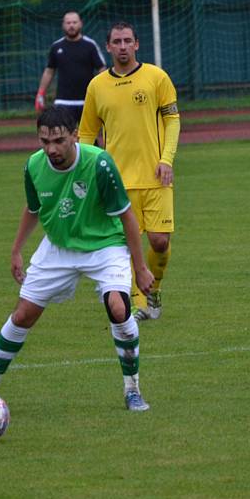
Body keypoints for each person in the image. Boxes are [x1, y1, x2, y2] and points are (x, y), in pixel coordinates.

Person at [0, 106, 155, 412]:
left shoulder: (99, 163)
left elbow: (127, 217)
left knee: (118, 308)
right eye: (44, 141)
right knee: (23, 314)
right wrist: (16, 250)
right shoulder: (33, 166)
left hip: (105, 244)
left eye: (59, 141)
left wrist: (141, 267)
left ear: (75, 135)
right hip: (58, 246)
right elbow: (32, 208)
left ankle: (132, 389)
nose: (51, 149)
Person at [78, 21, 180, 321]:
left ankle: (153, 289)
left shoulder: (157, 77)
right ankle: (138, 304)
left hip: (156, 176)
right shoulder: (97, 86)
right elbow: (86, 134)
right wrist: (85, 172)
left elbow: (173, 121)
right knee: (125, 249)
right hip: (117, 182)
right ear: (108, 47)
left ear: (137, 44)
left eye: (127, 41)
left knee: (160, 242)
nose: (122, 46)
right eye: (116, 42)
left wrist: (167, 159)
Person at [35, 11, 106, 125]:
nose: (71, 25)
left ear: (81, 24)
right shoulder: (56, 46)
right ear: (63, 25)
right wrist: (40, 93)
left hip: (87, 101)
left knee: (89, 139)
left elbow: (102, 70)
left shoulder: (90, 45)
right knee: (62, 136)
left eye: (74, 22)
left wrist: (101, 93)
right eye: (68, 23)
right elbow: (49, 71)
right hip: (63, 102)